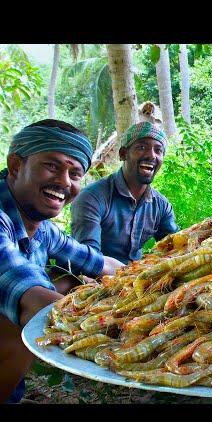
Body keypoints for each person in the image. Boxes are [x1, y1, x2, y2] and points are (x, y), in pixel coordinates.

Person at [0, 119, 123, 404]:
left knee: (74, 282)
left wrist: (153, 278)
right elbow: (35, 303)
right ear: (16, 165)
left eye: (75, 173)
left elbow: (99, 263)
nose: (65, 182)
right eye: (52, 166)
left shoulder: (40, 228)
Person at [71, 122, 179, 265]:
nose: (151, 155)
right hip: (93, 280)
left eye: (158, 150)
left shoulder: (161, 205)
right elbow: (88, 258)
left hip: (136, 278)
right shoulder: (92, 197)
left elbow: (176, 247)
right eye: (141, 147)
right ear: (123, 154)